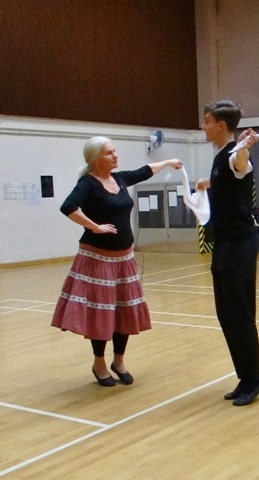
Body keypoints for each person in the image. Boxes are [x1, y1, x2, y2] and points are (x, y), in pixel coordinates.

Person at [51, 136, 182, 386]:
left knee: (124, 310)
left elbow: (144, 171)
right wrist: (95, 226)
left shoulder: (119, 179)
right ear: (96, 159)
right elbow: (68, 207)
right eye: (109, 153)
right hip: (97, 258)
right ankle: (99, 363)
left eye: (114, 151)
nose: (115, 155)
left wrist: (168, 162)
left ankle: (118, 361)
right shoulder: (88, 184)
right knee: (101, 312)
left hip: (124, 258)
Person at [195, 100, 259, 406]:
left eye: (207, 121)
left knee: (240, 313)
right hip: (223, 244)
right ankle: (244, 376)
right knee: (226, 313)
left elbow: (240, 165)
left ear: (221, 125)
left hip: (239, 244)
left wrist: (244, 148)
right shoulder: (220, 157)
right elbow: (227, 178)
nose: (203, 126)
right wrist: (208, 184)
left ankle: (254, 379)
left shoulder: (236, 156)